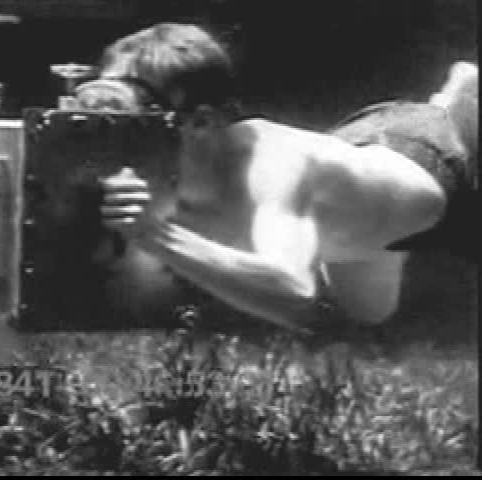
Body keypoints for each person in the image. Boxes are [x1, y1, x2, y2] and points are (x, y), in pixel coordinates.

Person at [74, 23, 478, 333]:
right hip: (359, 201)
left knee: (441, 137)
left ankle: (458, 97)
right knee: (369, 313)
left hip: (429, 157)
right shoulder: (157, 173)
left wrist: (155, 235)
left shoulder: (272, 161)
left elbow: (293, 293)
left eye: (131, 108)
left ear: (200, 123)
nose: (111, 123)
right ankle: (447, 100)